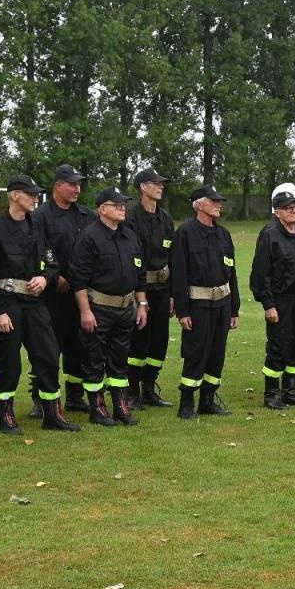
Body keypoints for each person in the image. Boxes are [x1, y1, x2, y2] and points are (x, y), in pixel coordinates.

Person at [0, 175, 73, 433]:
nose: (34, 198)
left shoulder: (37, 227)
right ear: (14, 196)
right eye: (29, 194)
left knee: (49, 356)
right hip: (7, 304)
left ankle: (52, 413)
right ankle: (5, 415)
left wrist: (45, 277)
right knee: (8, 362)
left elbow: (52, 262)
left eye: (35, 194)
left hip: (35, 304)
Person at [70, 188, 147, 426]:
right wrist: (85, 311)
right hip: (99, 307)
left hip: (126, 308)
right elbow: (78, 279)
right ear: (102, 209)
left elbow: (139, 274)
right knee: (94, 360)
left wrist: (142, 304)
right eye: (117, 205)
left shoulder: (130, 236)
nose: (122, 208)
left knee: (120, 360)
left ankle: (121, 407)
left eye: (123, 204)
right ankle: (97, 409)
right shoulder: (89, 236)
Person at [169, 185, 240, 418]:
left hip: (222, 303)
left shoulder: (223, 234)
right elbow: (178, 274)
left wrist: (234, 309)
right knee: (196, 352)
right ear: (199, 204)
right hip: (198, 304)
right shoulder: (185, 234)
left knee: (217, 352)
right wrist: (182, 311)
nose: (219, 204)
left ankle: (208, 399)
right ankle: (187, 403)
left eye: (219, 200)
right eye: (214, 201)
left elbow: (232, 272)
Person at [251, 183, 295, 410]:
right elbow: (260, 273)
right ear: (276, 211)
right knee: (279, 347)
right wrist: (268, 305)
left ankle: (290, 390)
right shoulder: (270, 236)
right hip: (280, 302)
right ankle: (271, 393)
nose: (294, 210)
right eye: (287, 207)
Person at [39, 164, 94, 412]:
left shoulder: (85, 215)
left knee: (78, 345)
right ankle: (41, 398)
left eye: (78, 184)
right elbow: (39, 248)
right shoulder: (41, 216)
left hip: (80, 293)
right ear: (57, 186)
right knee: (49, 347)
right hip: (52, 294)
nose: (76, 189)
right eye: (71, 184)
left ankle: (74, 395)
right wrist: (55, 275)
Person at [125, 167, 175, 407]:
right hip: (140, 290)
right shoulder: (131, 218)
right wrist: (138, 297)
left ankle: (149, 388)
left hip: (163, 290)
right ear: (143, 186)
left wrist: (173, 293)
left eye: (161, 183)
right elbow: (131, 257)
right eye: (155, 183)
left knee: (159, 339)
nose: (160, 186)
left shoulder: (165, 218)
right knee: (139, 339)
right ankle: (132, 390)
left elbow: (172, 256)